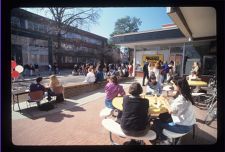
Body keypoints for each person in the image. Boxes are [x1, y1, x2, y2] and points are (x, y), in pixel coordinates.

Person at [152, 76, 196, 145]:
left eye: (173, 84)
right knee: (162, 116)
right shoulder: (186, 95)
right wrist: (170, 95)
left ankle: (165, 140)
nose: (172, 86)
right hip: (187, 123)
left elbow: (171, 111)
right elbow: (175, 99)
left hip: (182, 127)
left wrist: (165, 101)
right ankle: (168, 137)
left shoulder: (182, 99)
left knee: (156, 122)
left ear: (178, 86)